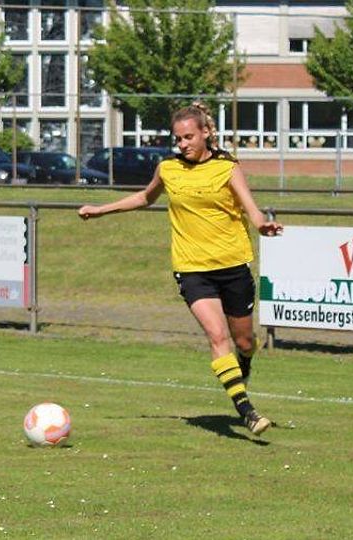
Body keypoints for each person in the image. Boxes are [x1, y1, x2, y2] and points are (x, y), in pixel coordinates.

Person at [78, 102, 283, 436]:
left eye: (189, 137)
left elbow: (252, 210)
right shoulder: (168, 169)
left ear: (206, 133)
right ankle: (247, 411)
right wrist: (101, 210)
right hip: (192, 269)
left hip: (233, 265)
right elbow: (145, 198)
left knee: (244, 341)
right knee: (217, 336)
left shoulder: (227, 167)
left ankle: (244, 363)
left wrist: (262, 225)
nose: (183, 144)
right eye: (178, 139)